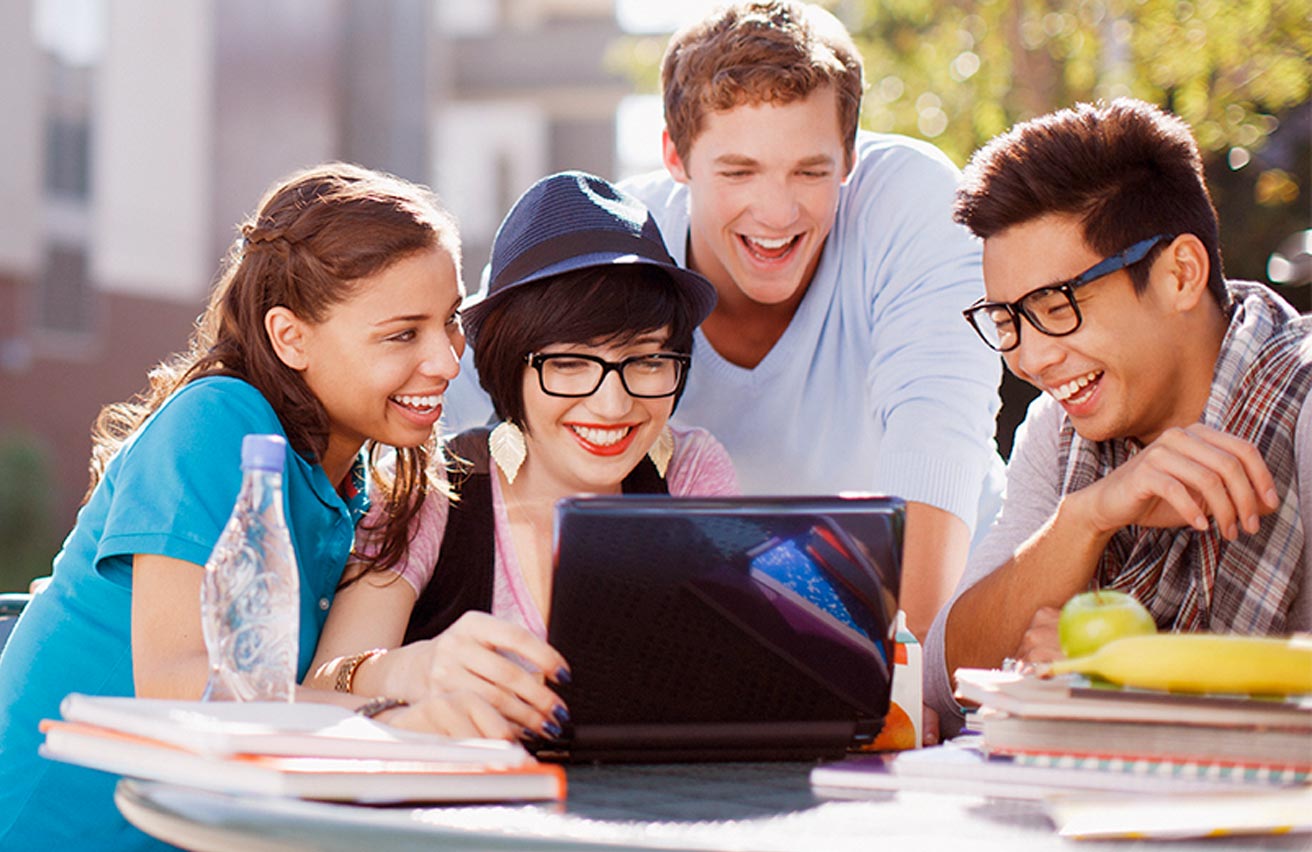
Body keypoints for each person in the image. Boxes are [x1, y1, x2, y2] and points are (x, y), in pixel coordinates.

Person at [0, 164, 564, 850]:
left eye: (448, 323)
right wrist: (399, 708)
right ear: (290, 337)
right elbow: (178, 689)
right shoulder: (217, 421)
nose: (448, 362)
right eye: (401, 334)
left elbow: (280, 693)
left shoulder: (356, 483)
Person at [924, 98, 1312, 737]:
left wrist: (1127, 677)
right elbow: (947, 674)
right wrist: (1085, 519)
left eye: (1055, 305)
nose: (1031, 357)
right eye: (1005, 320)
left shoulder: (1299, 403)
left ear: (1180, 274)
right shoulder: (1058, 431)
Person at [305, 172, 738, 727]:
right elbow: (325, 679)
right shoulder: (434, 485)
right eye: (569, 363)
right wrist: (407, 676)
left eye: (648, 360)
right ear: (511, 366)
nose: (612, 405)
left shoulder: (692, 472)